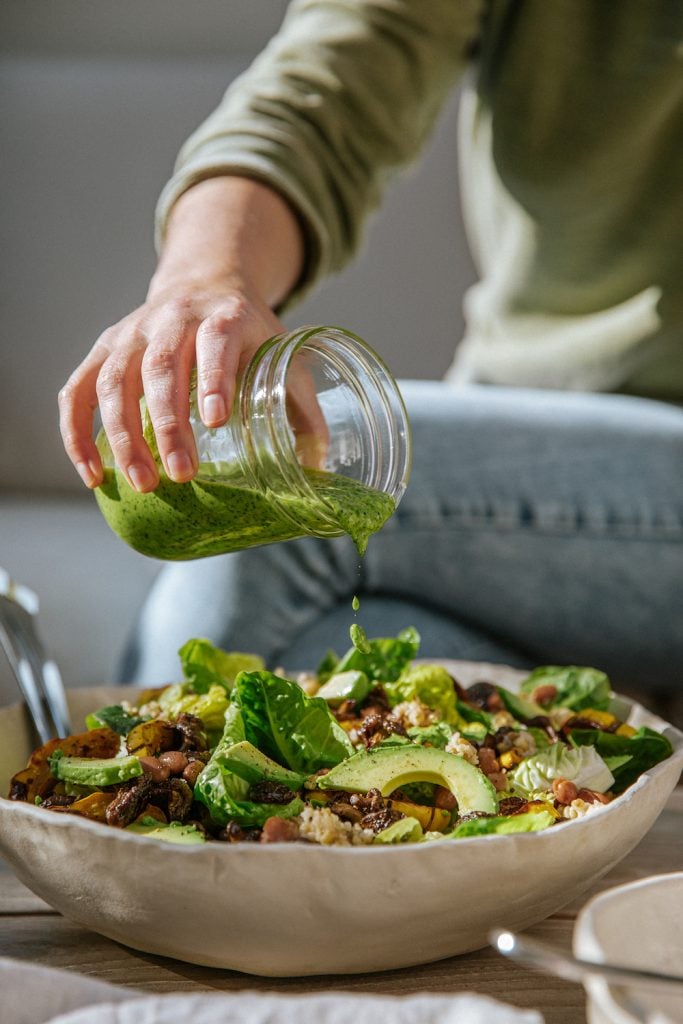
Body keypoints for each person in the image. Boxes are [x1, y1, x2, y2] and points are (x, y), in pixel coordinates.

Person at [58, 1, 683, 709]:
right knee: (313, 668)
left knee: (280, 520)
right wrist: (206, 277)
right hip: (526, 444)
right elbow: (335, 81)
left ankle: (118, 799)